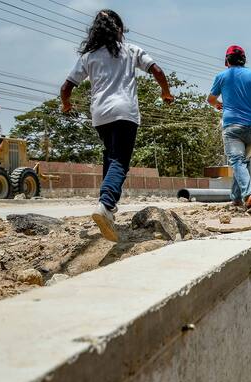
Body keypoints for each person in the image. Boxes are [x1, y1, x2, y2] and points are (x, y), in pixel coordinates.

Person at [60, 10, 174, 242]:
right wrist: (165, 92)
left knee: (110, 157)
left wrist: (66, 105)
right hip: (125, 113)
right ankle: (106, 203)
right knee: (120, 161)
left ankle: (108, 209)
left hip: (100, 115)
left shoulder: (89, 57)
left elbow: (66, 87)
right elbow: (157, 71)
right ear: (119, 30)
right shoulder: (131, 50)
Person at [207, 45, 251, 210]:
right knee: (241, 163)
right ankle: (236, 199)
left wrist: (218, 104)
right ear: (244, 59)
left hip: (232, 127)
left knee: (237, 161)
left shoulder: (221, 76)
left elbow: (210, 99)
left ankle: (248, 193)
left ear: (226, 61)